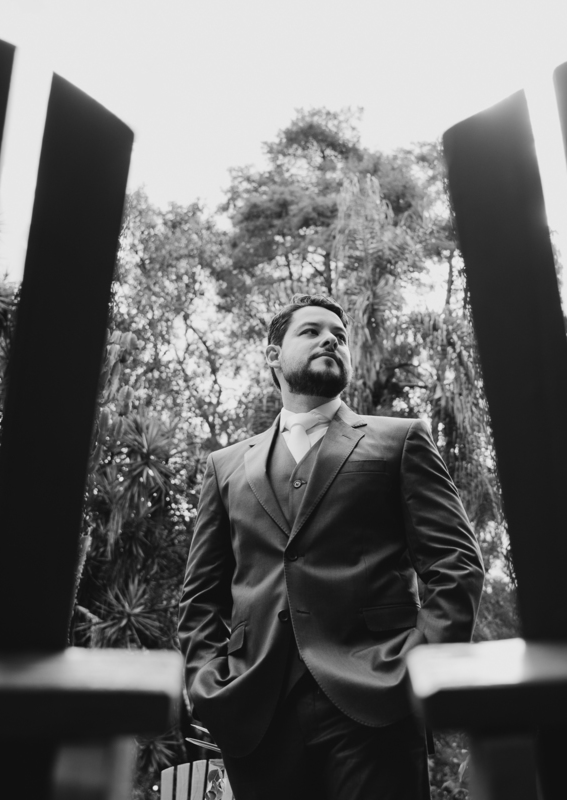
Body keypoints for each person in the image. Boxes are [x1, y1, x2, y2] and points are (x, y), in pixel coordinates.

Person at [178, 294, 485, 799]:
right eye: (312, 331)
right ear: (273, 355)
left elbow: (456, 565)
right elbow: (200, 596)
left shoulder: (400, 440)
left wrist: (417, 669)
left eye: (339, 336)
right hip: (257, 713)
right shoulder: (226, 466)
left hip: (377, 700)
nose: (330, 340)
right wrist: (208, 684)